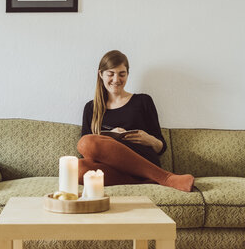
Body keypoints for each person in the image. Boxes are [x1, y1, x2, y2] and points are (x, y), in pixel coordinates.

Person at [78, 50, 194, 192]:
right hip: (111, 168)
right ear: (100, 74)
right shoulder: (91, 108)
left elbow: (161, 147)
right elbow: (85, 152)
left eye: (122, 74)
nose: (116, 79)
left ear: (127, 74)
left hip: (144, 160)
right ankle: (148, 181)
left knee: (88, 142)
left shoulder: (143, 101)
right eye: (110, 74)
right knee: (79, 166)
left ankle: (166, 178)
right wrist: (108, 139)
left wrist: (150, 139)